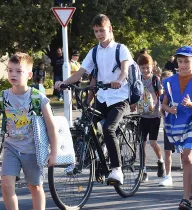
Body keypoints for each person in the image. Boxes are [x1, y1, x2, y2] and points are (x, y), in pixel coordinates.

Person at [55, 14, 134, 185]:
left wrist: (119, 82)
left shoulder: (121, 49)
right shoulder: (94, 51)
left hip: (119, 98)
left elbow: (124, 71)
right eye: (96, 31)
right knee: (85, 124)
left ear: (110, 29)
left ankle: (116, 170)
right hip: (103, 98)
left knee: (109, 128)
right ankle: (87, 159)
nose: (99, 34)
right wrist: (64, 82)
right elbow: (80, 72)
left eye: (102, 30)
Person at [0, 53, 57, 210]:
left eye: (18, 71)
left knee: (35, 187)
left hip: (33, 149)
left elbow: (51, 127)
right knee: (7, 185)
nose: (13, 74)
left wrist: (53, 152)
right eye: (10, 70)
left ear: (29, 74)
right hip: (11, 148)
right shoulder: (3, 97)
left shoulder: (38, 98)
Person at [161, 46, 192, 210]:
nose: (183, 64)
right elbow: (164, 104)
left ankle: (185, 199)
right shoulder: (169, 81)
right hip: (177, 124)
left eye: (187, 61)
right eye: (180, 61)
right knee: (185, 160)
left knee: (187, 158)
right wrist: (170, 110)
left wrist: (190, 104)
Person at [130, 53, 165, 182]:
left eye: (147, 67)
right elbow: (134, 94)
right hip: (142, 116)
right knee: (142, 143)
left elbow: (159, 95)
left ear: (152, 67)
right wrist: (133, 104)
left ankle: (160, 161)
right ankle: (143, 170)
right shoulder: (137, 79)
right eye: (142, 68)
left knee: (153, 142)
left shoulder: (155, 79)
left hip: (154, 115)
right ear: (138, 68)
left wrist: (156, 104)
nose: (145, 70)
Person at [158, 71, 176, 186]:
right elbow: (162, 111)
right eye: (164, 81)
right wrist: (165, 119)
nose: (167, 83)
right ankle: (168, 175)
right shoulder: (162, 97)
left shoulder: (178, 93)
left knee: (183, 151)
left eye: (169, 80)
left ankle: (190, 168)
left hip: (180, 126)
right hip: (169, 126)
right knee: (167, 151)